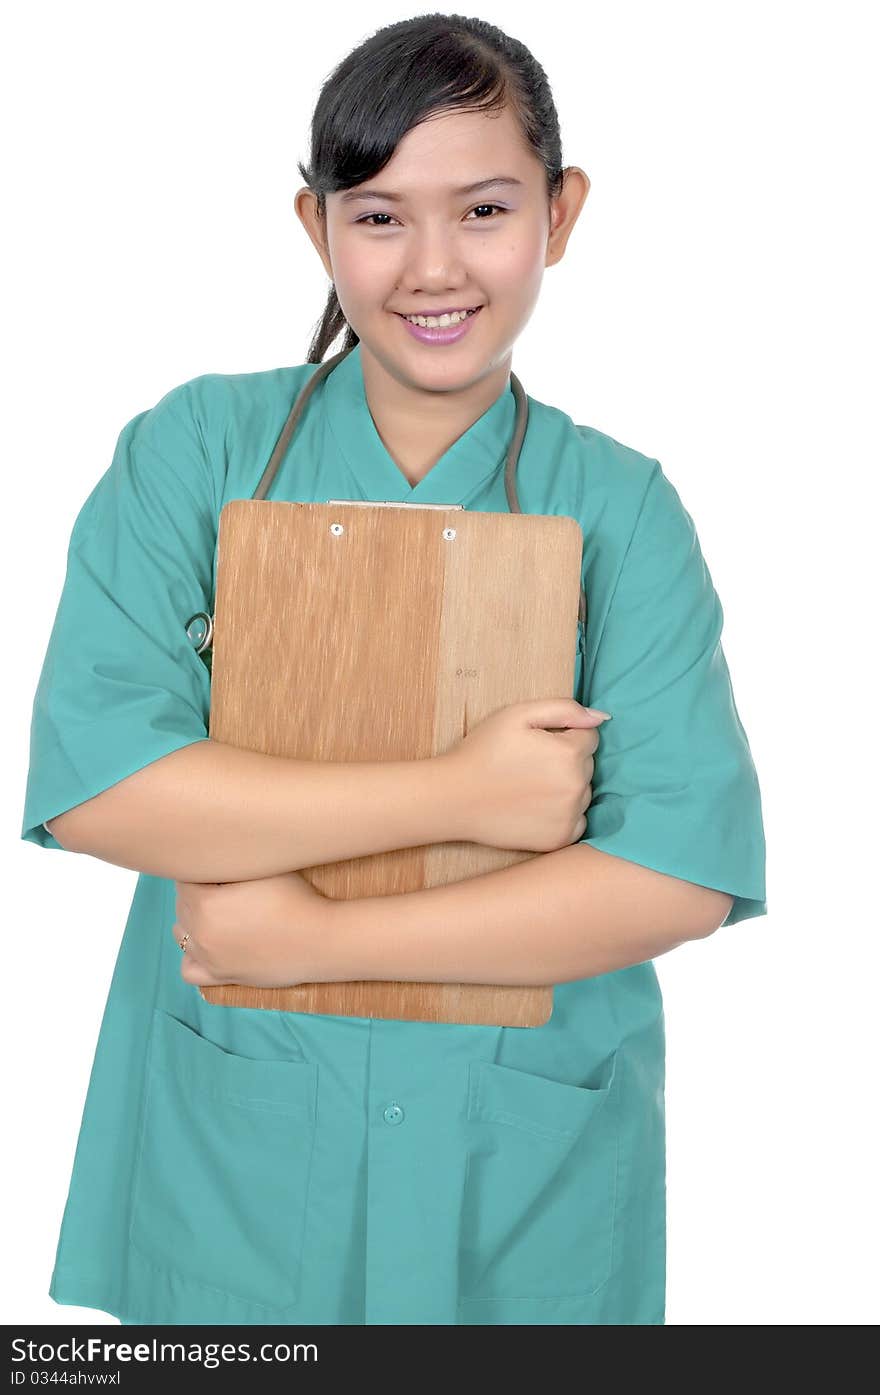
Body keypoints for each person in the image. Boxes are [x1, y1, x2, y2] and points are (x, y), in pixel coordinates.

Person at [20, 14, 766, 1326]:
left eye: (484, 208)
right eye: (377, 218)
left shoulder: (623, 509)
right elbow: (102, 784)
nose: (434, 267)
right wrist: (461, 794)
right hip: (240, 1133)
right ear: (315, 227)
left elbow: (678, 873)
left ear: (561, 211)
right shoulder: (198, 453)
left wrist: (313, 942)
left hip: (518, 1153)